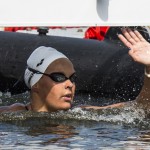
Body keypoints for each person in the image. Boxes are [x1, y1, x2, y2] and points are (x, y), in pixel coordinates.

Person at [0, 28, 150, 113]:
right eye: (59, 77)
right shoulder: (15, 112)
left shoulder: (80, 113)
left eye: (72, 78)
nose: (69, 85)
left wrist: (149, 69)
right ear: (35, 84)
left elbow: (141, 106)